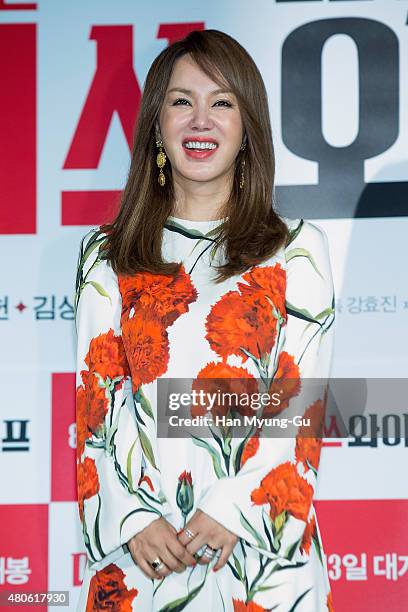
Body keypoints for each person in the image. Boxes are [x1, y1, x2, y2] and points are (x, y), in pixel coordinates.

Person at [74, 29, 336, 612]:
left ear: (248, 130)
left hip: (260, 550)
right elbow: (96, 406)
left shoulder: (296, 249)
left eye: (222, 103)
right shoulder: (106, 254)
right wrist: (134, 520)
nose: (201, 121)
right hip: (145, 554)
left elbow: (302, 401)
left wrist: (234, 507)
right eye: (181, 101)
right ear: (156, 125)